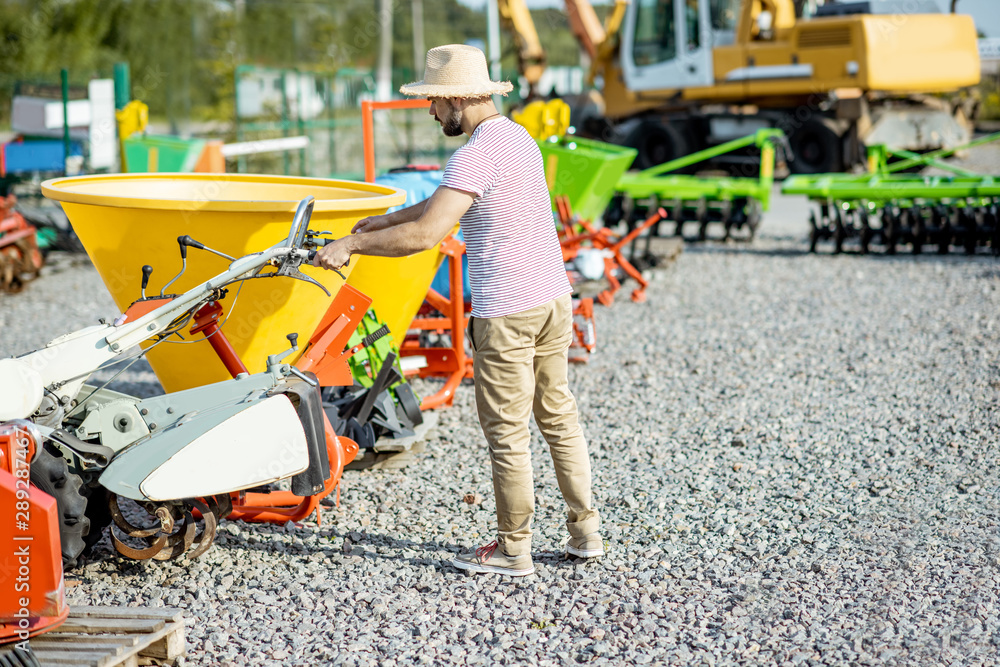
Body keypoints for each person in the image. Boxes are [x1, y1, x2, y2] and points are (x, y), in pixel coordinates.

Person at [313, 44, 601, 577]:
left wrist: (349, 247)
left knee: (508, 434)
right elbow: (448, 201)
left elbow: (426, 235)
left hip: (507, 311)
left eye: (436, 101)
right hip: (552, 299)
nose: (431, 112)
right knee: (559, 418)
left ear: (460, 98)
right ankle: (586, 533)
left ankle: (514, 550)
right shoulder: (517, 138)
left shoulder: (473, 153)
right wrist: (384, 219)